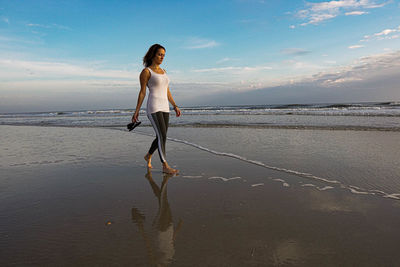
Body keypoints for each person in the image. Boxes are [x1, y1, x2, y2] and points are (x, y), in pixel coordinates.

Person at [132, 44, 181, 174]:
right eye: (159, 54)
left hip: (165, 107)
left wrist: (175, 105)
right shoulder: (146, 72)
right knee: (162, 135)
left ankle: (148, 156)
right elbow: (142, 92)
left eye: (164, 55)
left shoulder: (164, 71)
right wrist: (136, 111)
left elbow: (167, 91)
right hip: (153, 106)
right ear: (153, 54)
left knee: (162, 136)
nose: (162, 57)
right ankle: (165, 165)